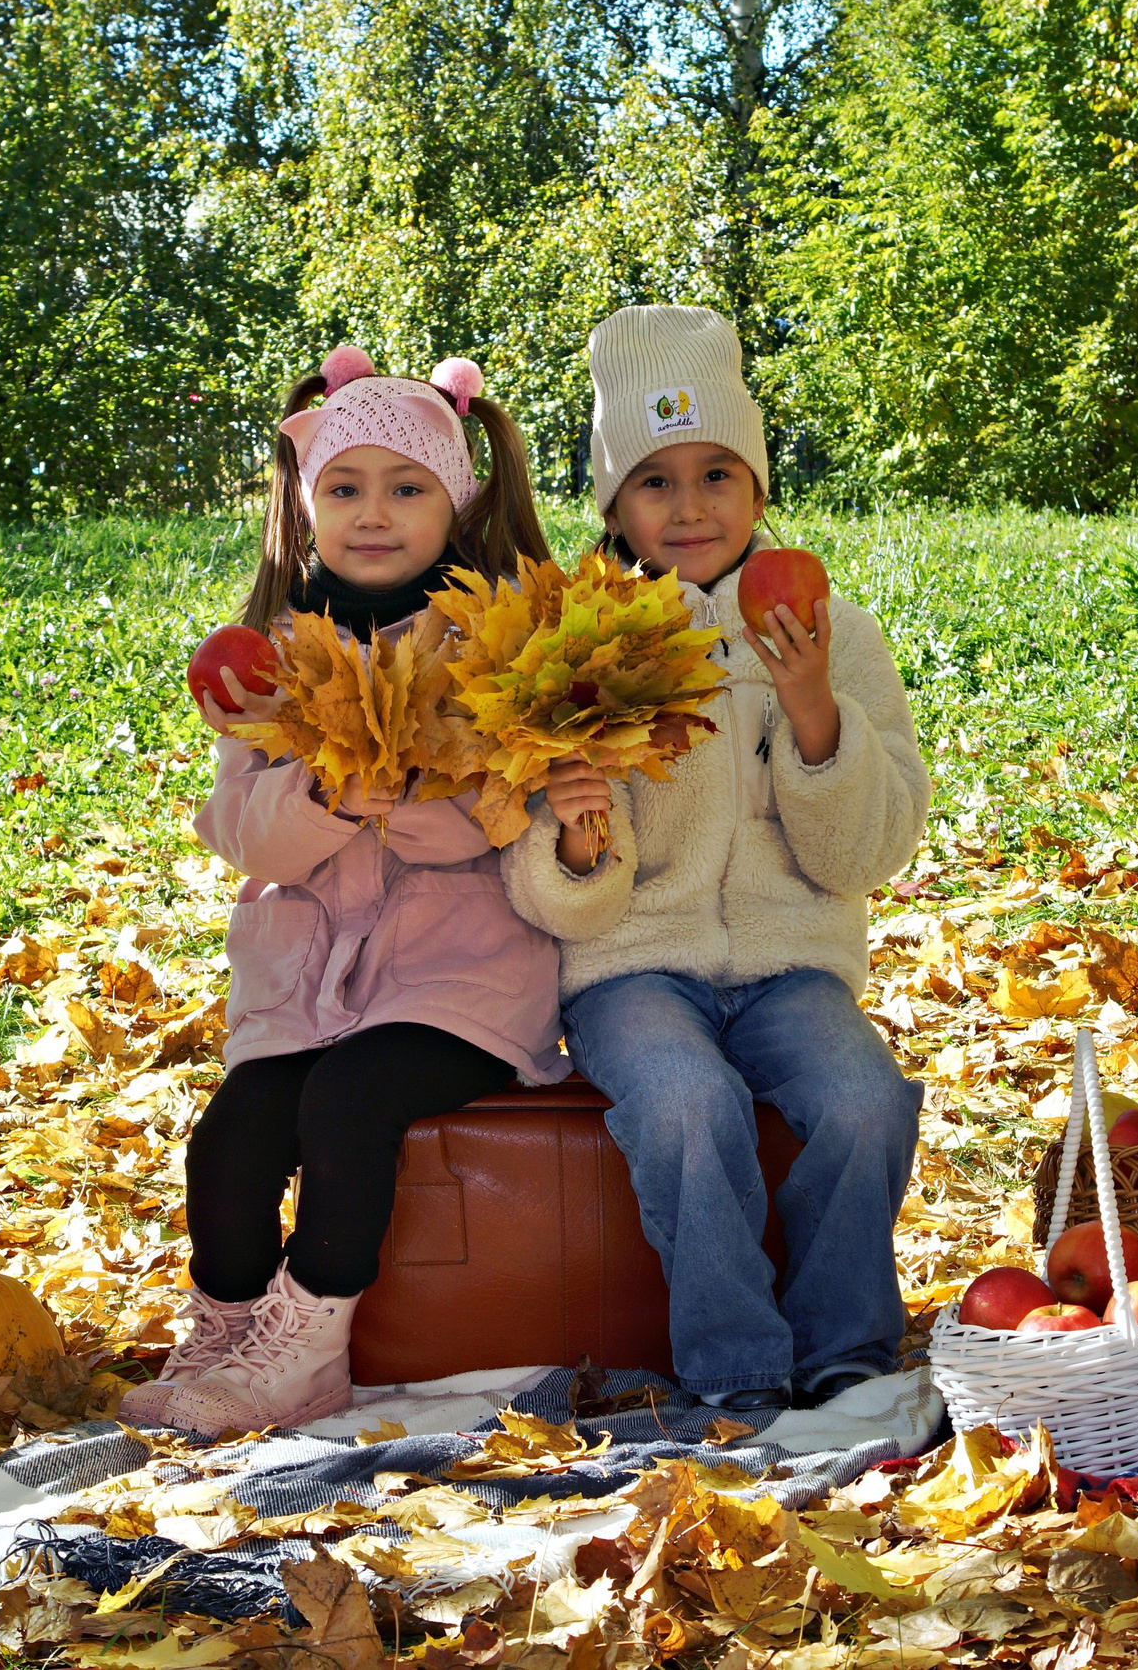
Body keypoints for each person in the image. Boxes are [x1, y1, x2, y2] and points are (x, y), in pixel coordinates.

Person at [122, 346, 566, 1435]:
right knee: (233, 1135)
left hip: (454, 975)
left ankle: (308, 1343)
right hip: (309, 981)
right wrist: (321, 798)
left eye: (406, 488)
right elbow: (237, 829)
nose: (374, 514)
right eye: (345, 488)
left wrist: (395, 799)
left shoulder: (491, 642)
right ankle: (226, 1329)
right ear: (307, 502)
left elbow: (510, 807)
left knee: (349, 1103)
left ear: (453, 506)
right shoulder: (272, 656)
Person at [500, 306, 933, 1412]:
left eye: (716, 474)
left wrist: (810, 711)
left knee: (863, 1099)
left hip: (791, 961)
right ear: (613, 502)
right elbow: (548, 883)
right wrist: (583, 845)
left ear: (759, 487)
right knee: (689, 1103)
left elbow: (864, 856)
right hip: (635, 966)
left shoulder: (836, 630)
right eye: (654, 481)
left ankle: (845, 1356)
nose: (689, 507)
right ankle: (737, 1372)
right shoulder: (583, 636)